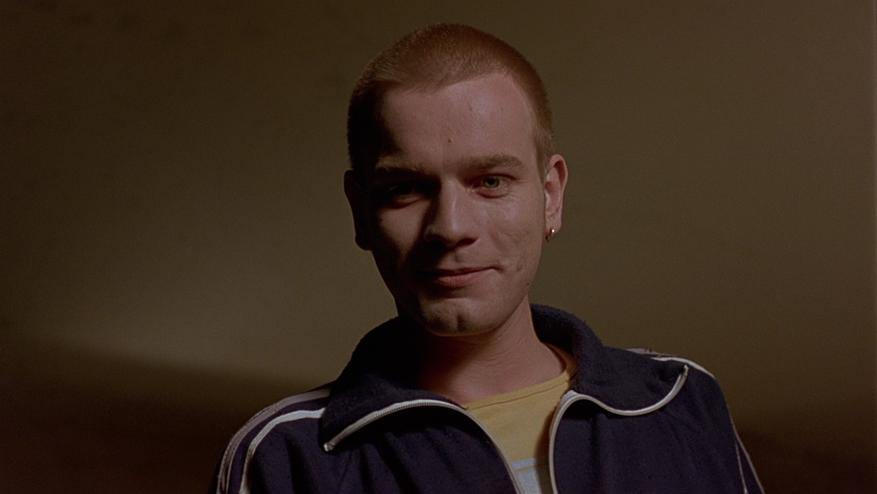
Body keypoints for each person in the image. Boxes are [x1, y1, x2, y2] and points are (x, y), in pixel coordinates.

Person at [213, 23, 763, 494]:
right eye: (406, 189)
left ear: (551, 195)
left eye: (490, 181)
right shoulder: (286, 457)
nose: (451, 227)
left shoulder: (679, 401)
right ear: (360, 212)